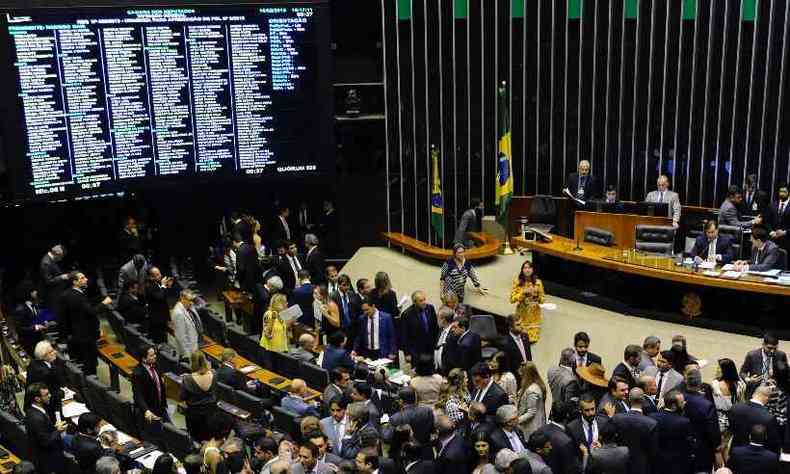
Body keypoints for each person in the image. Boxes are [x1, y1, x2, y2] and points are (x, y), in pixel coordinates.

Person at [59, 271, 113, 376]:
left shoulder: (69, 293)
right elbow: (91, 312)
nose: (86, 279)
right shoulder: (77, 296)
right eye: (82, 278)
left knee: (87, 362)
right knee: (89, 364)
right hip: (85, 336)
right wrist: (104, 303)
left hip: (79, 333)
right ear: (75, 282)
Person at [610, 388, 658, 474]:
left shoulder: (617, 418)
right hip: (641, 467)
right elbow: (653, 452)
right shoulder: (651, 424)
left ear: (629, 399)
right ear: (643, 400)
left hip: (620, 465)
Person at [682, 368, 722, 472]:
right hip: (702, 451)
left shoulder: (677, 399)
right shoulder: (706, 405)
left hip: (681, 449)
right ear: (700, 383)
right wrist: (717, 450)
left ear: (686, 381)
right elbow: (713, 430)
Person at [24, 383, 68, 474]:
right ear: (37, 399)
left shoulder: (33, 410)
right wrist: (58, 431)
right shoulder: (36, 418)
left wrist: (54, 428)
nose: (50, 395)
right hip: (48, 460)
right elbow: (45, 441)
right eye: (46, 394)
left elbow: (42, 431)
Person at [649, 390, 693, 474]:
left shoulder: (652, 417)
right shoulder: (684, 422)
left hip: (655, 464)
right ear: (673, 406)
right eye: (681, 402)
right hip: (676, 465)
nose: (684, 403)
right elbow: (688, 445)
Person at [712, 358, 746, 464]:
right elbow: (742, 403)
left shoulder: (716, 385)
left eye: (719, 368)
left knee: (717, 449)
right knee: (725, 446)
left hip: (719, 420)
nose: (717, 370)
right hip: (732, 420)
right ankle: (729, 468)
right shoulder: (740, 384)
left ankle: (721, 470)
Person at [730, 384, 781, 453]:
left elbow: (731, 429)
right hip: (757, 457)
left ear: (754, 394)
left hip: (736, 452)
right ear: (766, 398)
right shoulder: (769, 417)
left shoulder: (735, 408)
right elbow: (773, 444)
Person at [180, 350, 218, 442]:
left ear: (192, 362)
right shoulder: (214, 373)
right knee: (210, 438)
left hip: (194, 415)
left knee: (196, 439)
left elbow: (182, 397)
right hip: (211, 412)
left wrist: (185, 380)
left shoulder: (187, 379)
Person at [535, 401, 582, 474]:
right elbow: (571, 468)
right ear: (567, 415)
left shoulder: (540, 430)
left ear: (552, 414)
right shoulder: (566, 441)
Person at [131, 344, 170, 432]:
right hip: (150, 411)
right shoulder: (137, 374)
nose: (155, 356)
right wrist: (146, 410)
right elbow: (138, 395)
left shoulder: (155, 365)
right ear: (144, 359)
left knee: (172, 432)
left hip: (161, 408)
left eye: (154, 354)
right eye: (152, 355)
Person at [24, 340, 63, 418]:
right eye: (51, 351)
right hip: (44, 408)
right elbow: (49, 393)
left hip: (34, 404)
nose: (55, 352)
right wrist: (61, 393)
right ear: (44, 355)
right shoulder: (44, 372)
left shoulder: (35, 363)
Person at [509, 260, 545, 344]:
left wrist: (538, 298)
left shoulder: (538, 283)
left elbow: (543, 299)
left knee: (531, 341)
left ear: (532, 270)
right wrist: (523, 294)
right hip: (522, 313)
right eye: (525, 268)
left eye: (529, 267)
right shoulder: (517, 282)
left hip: (534, 315)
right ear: (522, 270)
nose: (527, 270)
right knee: (521, 339)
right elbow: (512, 299)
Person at [401, 290, 439, 364]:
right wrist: (407, 353)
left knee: (430, 369)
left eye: (424, 299)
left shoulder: (430, 308)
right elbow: (404, 335)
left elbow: (435, 327)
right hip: (416, 350)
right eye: (421, 301)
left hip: (430, 348)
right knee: (418, 371)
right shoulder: (407, 314)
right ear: (415, 302)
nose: (424, 302)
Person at [9, 281, 45, 355]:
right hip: (28, 343)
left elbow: (33, 318)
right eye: (33, 291)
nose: (36, 292)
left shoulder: (33, 304)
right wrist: (36, 327)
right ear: (29, 293)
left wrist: (43, 322)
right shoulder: (20, 309)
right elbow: (20, 329)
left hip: (37, 339)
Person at [516, 361, 547, 439]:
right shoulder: (531, 386)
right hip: (530, 425)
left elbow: (531, 412)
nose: (520, 377)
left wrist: (516, 421)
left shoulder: (532, 390)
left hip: (532, 427)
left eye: (522, 375)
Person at [39, 244, 69, 320]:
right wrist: (61, 277)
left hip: (55, 293)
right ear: (57, 254)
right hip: (51, 295)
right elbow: (48, 281)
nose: (61, 259)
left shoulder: (50, 259)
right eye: (61, 257)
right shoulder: (46, 262)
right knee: (54, 317)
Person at [145, 266, 174, 344]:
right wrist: (164, 285)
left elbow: (164, 297)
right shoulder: (149, 286)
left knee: (165, 339)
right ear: (151, 277)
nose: (160, 275)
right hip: (157, 320)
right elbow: (160, 297)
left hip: (162, 318)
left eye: (159, 273)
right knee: (160, 342)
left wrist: (168, 286)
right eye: (157, 275)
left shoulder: (157, 283)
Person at [172, 289, 203, 360]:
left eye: (193, 300)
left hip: (196, 342)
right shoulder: (178, 314)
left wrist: (196, 298)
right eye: (190, 300)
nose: (192, 302)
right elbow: (181, 337)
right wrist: (188, 355)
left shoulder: (190, 306)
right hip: (189, 351)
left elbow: (202, 304)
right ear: (182, 299)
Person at [331, 275, 361, 345]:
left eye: (348, 285)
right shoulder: (333, 296)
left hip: (352, 328)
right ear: (338, 285)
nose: (346, 287)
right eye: (344, 285)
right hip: (340, 329)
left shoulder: (351, 294)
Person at [767, 184, 790, 250]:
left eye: (784, 192)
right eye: (780, 191)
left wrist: (784, 232)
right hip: (772, 239)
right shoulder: (772, 205)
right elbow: (767, 222)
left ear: (789, 193)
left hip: (787, 241)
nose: (782, 194)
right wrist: (771, 232)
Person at [434, 306, 456, 374]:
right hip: (438, 370)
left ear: (443, 320)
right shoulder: (440, 330)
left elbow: (453, 357)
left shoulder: (454, 334)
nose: (436, 320)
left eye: (438, 317)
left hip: (448, 373)